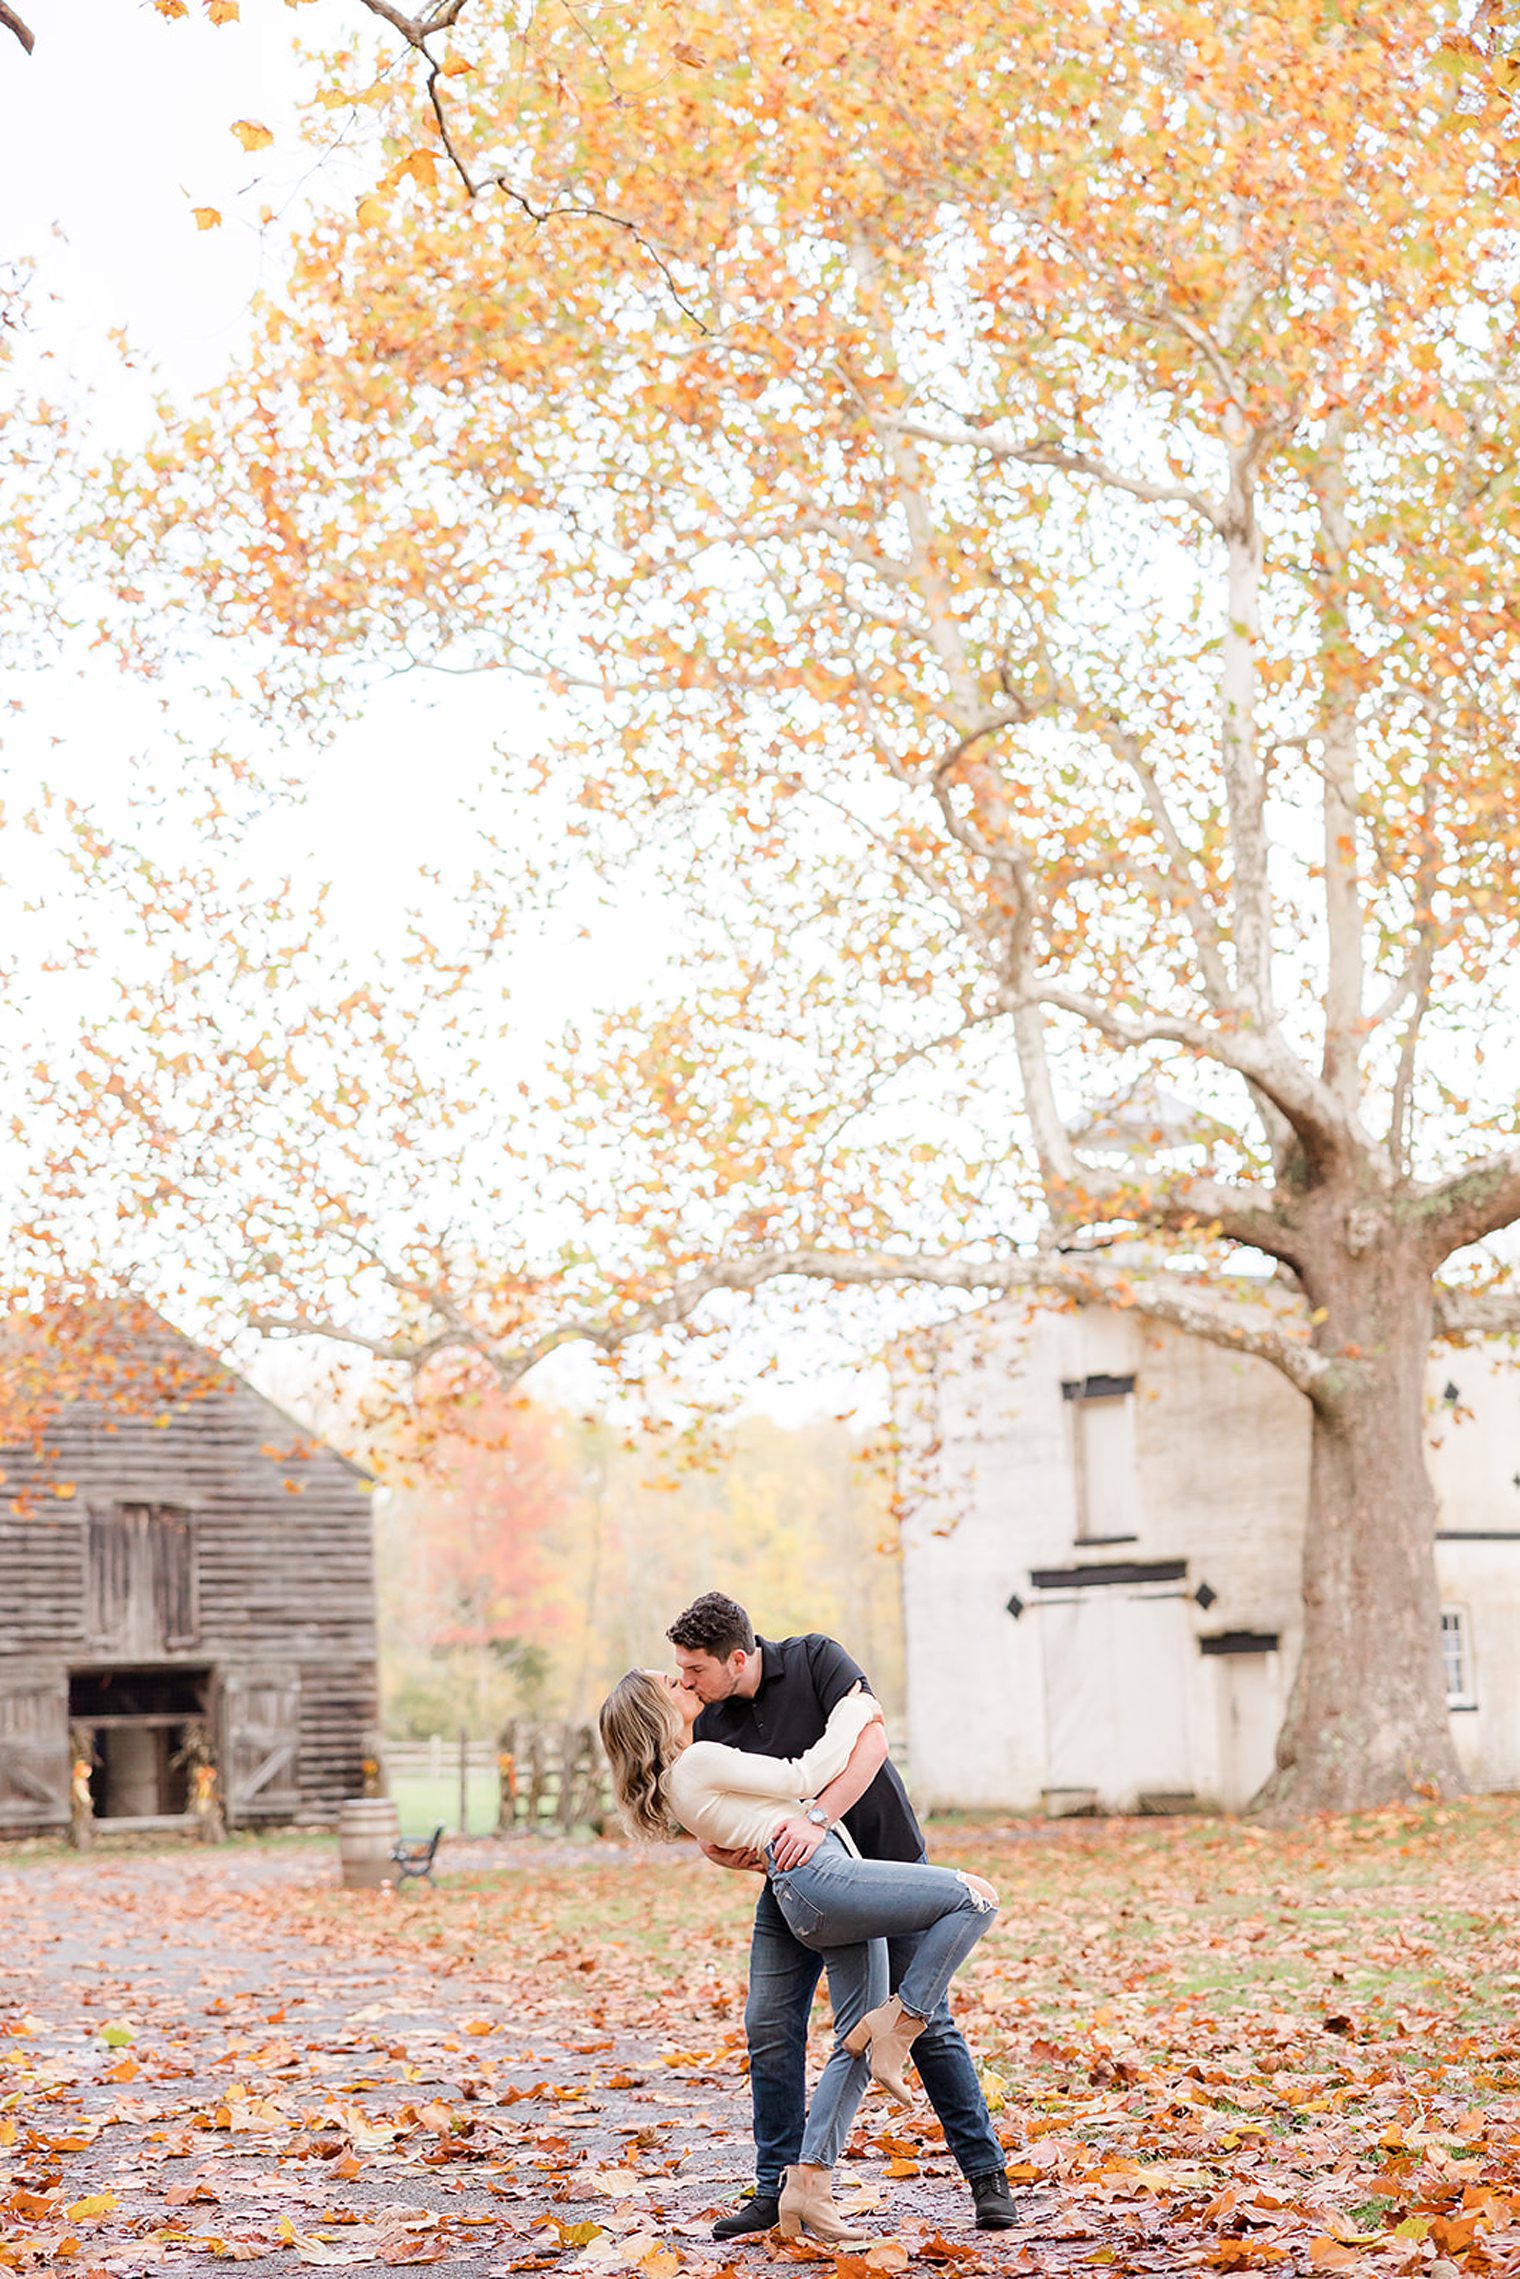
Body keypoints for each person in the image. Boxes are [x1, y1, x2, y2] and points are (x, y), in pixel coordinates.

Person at [598, 1667, 999, 2246]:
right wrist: (860, 1710)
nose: (678, 1678)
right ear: (653, 1714)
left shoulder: (685, 1777)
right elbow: (805, 1774)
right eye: (668, 1680)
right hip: (821, 1878)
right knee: (974, 1897)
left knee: (854, 2042)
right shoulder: (699, 1760)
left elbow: (739, 1827)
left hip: (818, 1880)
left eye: (683, 1670)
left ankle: (809, 2183)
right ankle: (906, 2017)